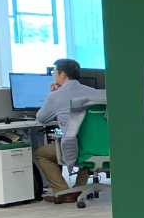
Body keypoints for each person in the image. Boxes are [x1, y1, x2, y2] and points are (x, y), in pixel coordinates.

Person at [35, 58, 100, 202]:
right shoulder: (96, 93)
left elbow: (42, 118)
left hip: (76, 148)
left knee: (42, 153)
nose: (53, 75)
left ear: (63, 75)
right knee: (85, 144)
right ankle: (79, 189)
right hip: (98, 146)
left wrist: (51, 95)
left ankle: (63, 192)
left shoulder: (55, 96)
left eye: (54, 72)